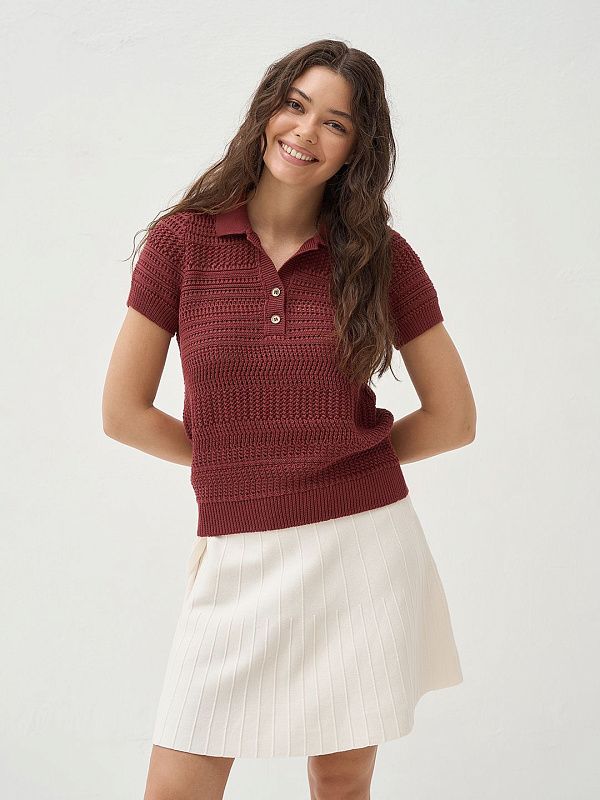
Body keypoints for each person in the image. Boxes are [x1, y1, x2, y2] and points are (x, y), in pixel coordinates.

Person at [103, 38, 476, 800]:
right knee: (177, 784)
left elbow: (454, 418)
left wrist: (339, 460)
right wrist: (246, 467)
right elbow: (123, 412)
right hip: (237, 552)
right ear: (267, 111)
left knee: (340, 781)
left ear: (357, 150)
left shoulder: (381, 258)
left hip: (360, 549)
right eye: (296, 106)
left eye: (335, 123)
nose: (306, 132)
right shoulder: (181, 244)